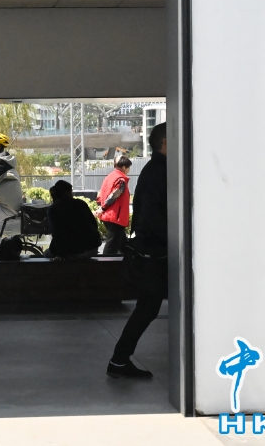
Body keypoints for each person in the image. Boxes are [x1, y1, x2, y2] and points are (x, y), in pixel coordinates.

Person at [107, 122, 168, 379]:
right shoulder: (161, 171)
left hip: (153, 250)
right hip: (158, 253)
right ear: (165, 143)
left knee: (147, 308)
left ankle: (119, 361)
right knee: (147, 309)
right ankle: (119, 361)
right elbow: (154, 216)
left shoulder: (154, 169)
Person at [44, 180, 101, 260]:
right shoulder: (80, 204)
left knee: (46, 254)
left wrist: (60, 254)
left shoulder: (53, 209)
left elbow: (57, 234)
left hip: (68, 251)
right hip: (91, 249)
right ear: (68, 192)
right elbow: (93, 224)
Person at [95, 155, 132, 255]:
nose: (129, 170)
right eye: (128, 168)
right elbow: (114, 196)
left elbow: (100, 195)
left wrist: (101, 207)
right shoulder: (121, 180)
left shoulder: (109, 177)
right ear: (124, 167)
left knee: (122, 245)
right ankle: (106, 264)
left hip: (109, 216)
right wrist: (102, 208)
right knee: (111, 247)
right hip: (116, 217)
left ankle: (130, 262)